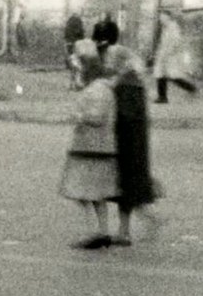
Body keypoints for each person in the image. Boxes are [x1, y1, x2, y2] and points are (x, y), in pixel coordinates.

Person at [62, 22, 157, 249]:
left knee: (118, 177)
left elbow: (99, 84)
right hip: (130, 120)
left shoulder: (110, 56)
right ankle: (123, 231)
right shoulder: (123, 55)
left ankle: (118, 230)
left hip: (122, 121)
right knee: (125, 176)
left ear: (100, 41)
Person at [148, 7, 198, 105]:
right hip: (164, 55)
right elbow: (163, 43)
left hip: (170, 57)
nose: (160, 19)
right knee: (161, 75)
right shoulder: (165, 28)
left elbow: (176, 42)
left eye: (162, 17)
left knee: (172, 76)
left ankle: (191, 88)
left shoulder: (173, 27)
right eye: (160, 17)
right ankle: (162, 97)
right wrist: (159, 53)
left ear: (168, 17)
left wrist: (168, 53)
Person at [62, 11, 88, 88]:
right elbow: (82, 35)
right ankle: (77, 83)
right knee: (78, 64)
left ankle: (72, 83)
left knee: (72, 64)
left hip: (70, 46)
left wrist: (67, 44)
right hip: (78, 46)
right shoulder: (79, 23)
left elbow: (66, 37)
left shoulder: (68, 25)